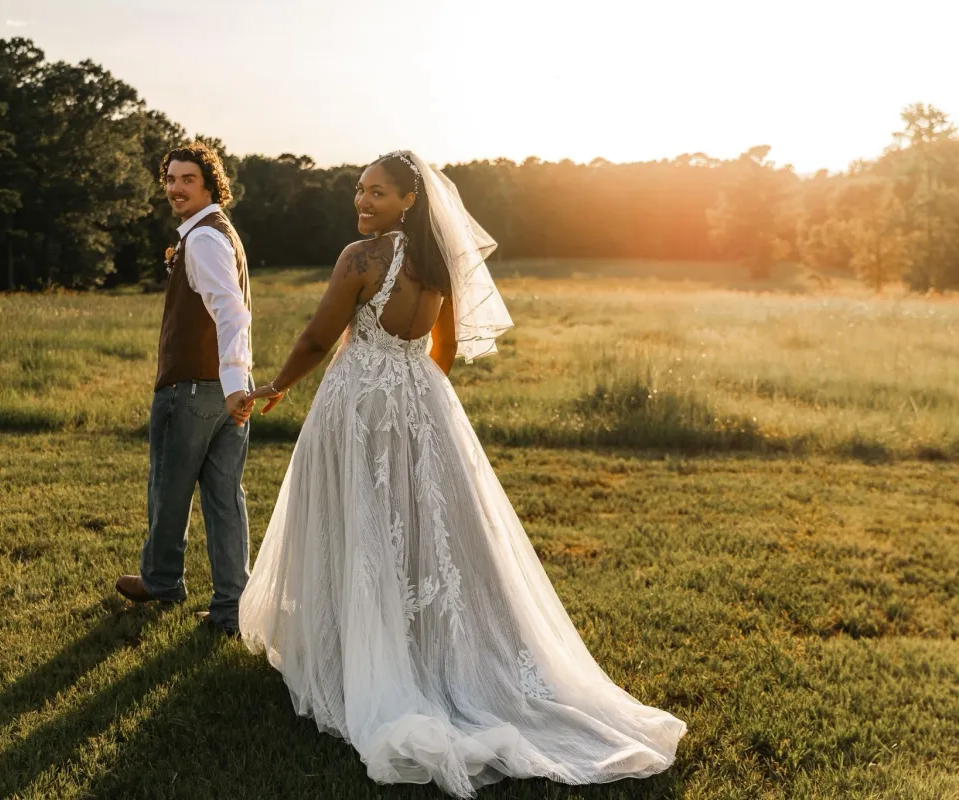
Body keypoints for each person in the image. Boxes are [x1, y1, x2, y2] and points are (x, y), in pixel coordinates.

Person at [239, 151, 686, 796]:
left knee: (359, 518)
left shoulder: (360, 259)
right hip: (421, 399)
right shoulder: (439, 261)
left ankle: (366, 656)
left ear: (409, 200)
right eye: (359, 192)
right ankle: (416, 643)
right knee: (417, 526)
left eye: (378, 193)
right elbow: (442, 349)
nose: (363, 203)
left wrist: (277, 386)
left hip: (359, 404)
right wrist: (413, 391)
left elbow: (315, 337)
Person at [115, 142, 253, 638]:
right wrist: (238, 385)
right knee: (224, 498)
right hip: (225, 390)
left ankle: (163, 581)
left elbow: (231, 311)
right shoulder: (220, 234)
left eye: (187, 179)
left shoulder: (203, 239)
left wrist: (234, 381)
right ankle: (232, 609)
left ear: (210, 185)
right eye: (170, 179)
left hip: (197, 387)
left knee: (169, 489)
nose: (175, 187)